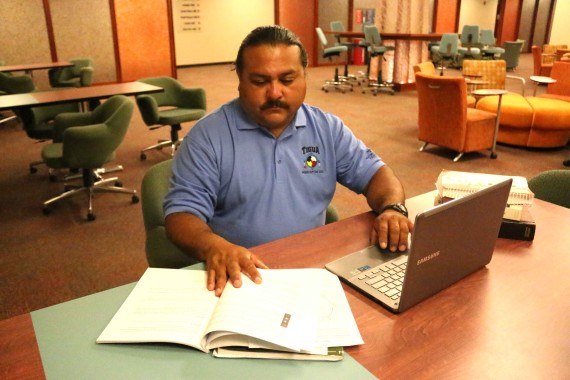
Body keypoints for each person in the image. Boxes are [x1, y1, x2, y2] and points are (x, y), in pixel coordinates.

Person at [164, 25, 413, 296]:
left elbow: (377, 175)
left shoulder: (327, 128)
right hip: (243, 276)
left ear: (305, 78)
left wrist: (393, 209)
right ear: (240, 80)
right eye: (260, 81)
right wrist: (213, 246)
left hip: (311, 271)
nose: (274, 93)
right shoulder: (208, 137)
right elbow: (181, 216)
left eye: (287, 79)